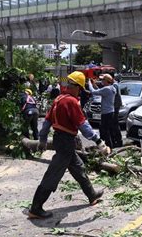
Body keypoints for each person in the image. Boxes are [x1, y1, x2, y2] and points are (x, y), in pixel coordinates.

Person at [29, 71, 111, 219]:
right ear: (77, 87)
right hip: (66, 142)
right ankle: (36, 208)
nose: (80, 92)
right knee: (53, 174)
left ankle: (92, 195)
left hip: (62, 141)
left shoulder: (58, 99)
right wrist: (99, 141)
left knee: (78, 168)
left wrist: (42, 139)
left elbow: (47, 121)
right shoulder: (71, 102)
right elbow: (83, 125)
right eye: (80, 89)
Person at [88, 74, 116, 148]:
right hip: (110, 112)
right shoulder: (111, 88)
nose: (101, 81)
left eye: (103, 80)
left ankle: (109, 147)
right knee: (104, 130)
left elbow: (93, 92)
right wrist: (94, 84)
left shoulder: (106, 89)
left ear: (107, 81)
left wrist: (89, 83)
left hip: (106, 113)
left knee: (105, 131)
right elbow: (99, 91)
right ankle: (105, 146)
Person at [111, 75, 123, 148]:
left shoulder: (114, 85)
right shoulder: (115, 84)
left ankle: (118, 141)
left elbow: (113, 94)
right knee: (114, 124)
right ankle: (116, 140)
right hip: (115, 106)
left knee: (114, 124)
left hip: (115, 106)